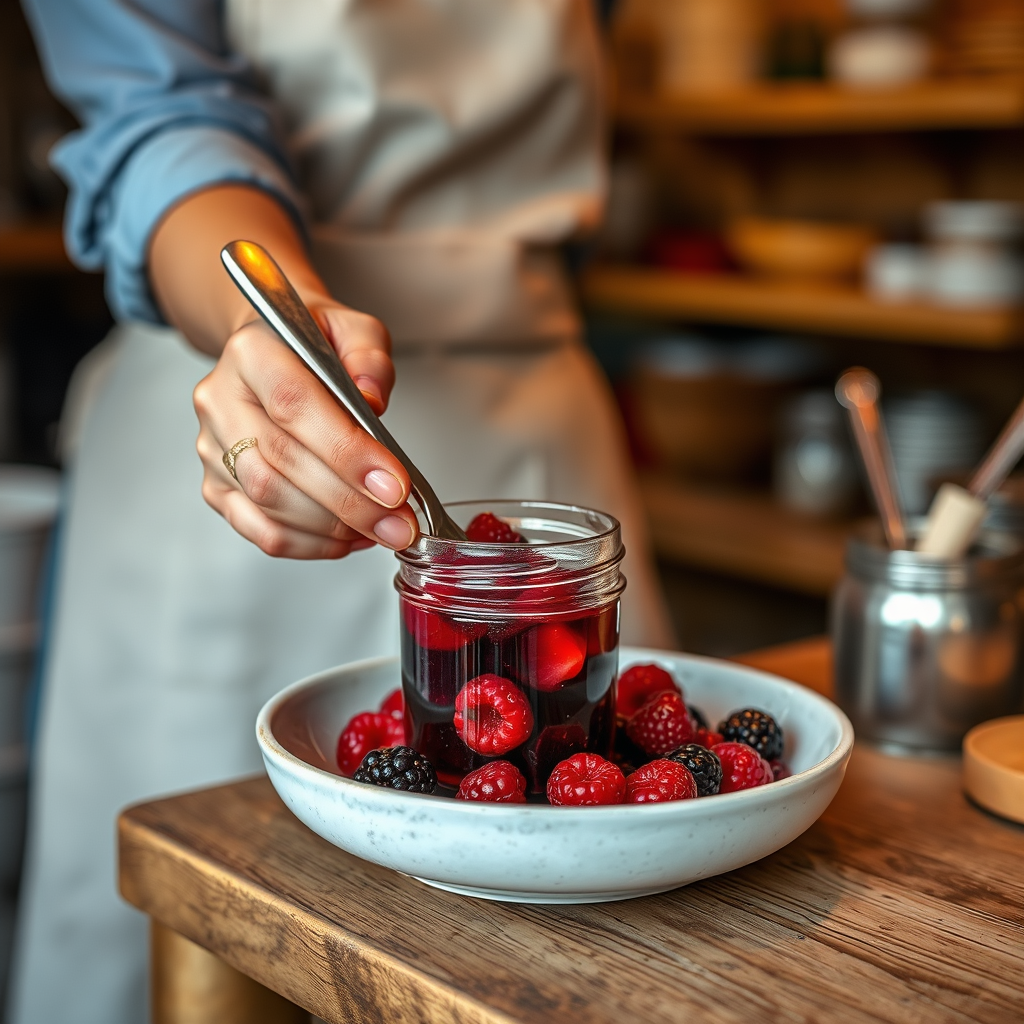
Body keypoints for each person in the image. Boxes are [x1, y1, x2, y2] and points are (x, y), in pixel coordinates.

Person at [9, 1, 675, 1021]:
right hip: (244, 390)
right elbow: (161, 117)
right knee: (196, 943)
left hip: (536, 404)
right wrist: (274, 321)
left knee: (595, 956)